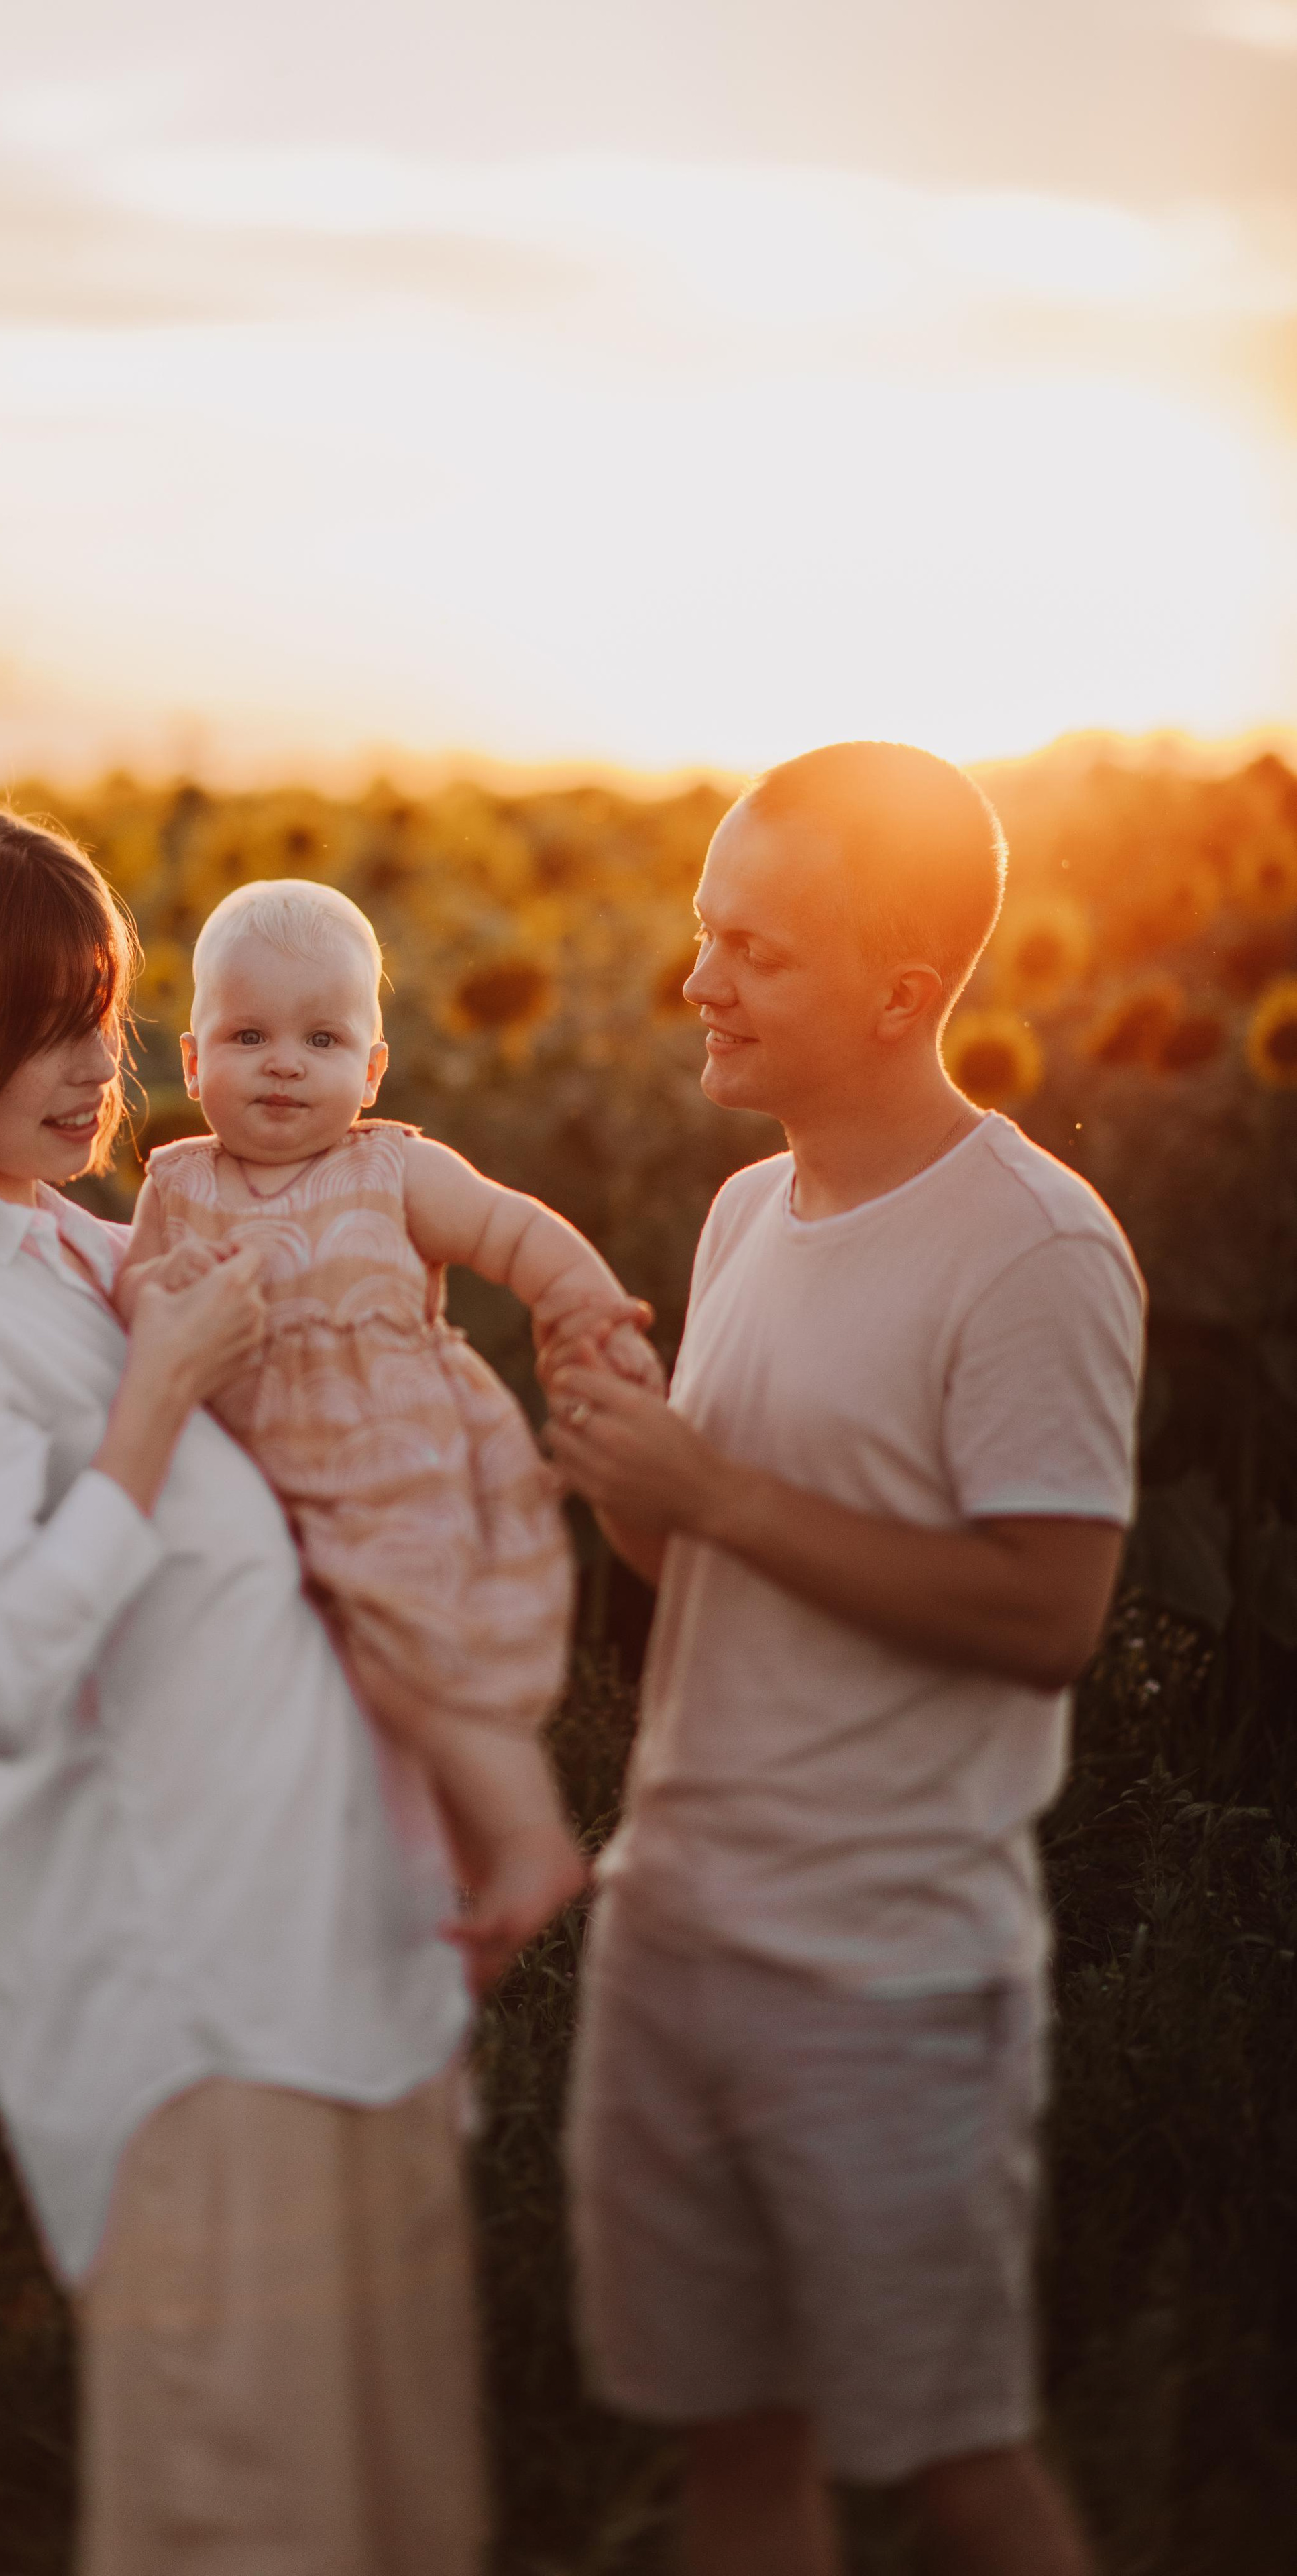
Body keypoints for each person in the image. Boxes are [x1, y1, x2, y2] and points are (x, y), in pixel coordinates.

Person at [0, 800, 484, 2576]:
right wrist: (157, 1405)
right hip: (196, 2023)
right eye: (40, 1022)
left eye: (102, 1007)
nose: (100, 1066)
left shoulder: (75, 1250)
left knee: (394, 2522)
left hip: (330, 1974)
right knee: (254, 2521)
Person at [542, 742, 1145, 2576]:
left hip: (884, 1969)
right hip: (681, 1925)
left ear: (900, 993)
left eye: (757, 948)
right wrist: (631, 1475)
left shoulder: (1032, 1253)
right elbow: (694, 1569)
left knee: (957, 2466)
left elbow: (1050, 1619)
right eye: (704, 929)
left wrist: (709, 1489)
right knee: (740, 2442)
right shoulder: (745, 1212)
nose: (699, 979)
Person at [119, 878, 659, 1991]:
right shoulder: (176, 1187)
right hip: (252, 1488)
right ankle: (366, 1890)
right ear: (192, 1061)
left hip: (395, 1472)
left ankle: (526, 1844)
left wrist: (588, 1311)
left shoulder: (393, 1167)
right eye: (249, 1034)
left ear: (370, 1070)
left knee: (419, 1666)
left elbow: (515, 1234)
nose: (282, 1062)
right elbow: (136, 1297)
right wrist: (158, 1290)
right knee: (287, 1692)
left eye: (321, 1039)